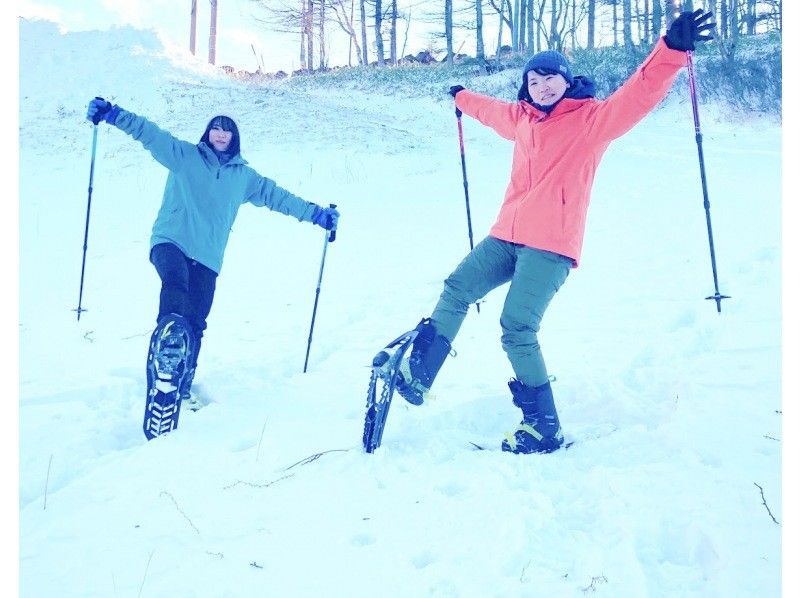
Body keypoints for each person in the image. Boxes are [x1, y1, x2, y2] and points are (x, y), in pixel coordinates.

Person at [391, 10, 715, 454]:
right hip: (507, 233)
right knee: (457, 287)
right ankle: (418, 377)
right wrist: (462, 96)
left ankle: (544, 428)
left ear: (567, 82)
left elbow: (638, 94)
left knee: (516, 326)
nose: (542, 87)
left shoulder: (592, 121)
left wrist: (671, 50)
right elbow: (490, 110)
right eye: (534, 81)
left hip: (550, 246)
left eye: (551, 79)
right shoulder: (522, 119)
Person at [85, 99, 340, 408]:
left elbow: (278, 197)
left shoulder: (244, 178)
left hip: (207, 255)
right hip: (171, 240)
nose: (221, 133)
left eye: (227, 130)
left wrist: (316, 215)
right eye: (216, 128)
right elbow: (148, 133)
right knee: (175, 282)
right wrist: (113, 114)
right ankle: (168, 342)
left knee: (196, 321)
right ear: (207, 133)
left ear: (234, 138)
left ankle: (181, 382)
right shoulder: (184, 156)